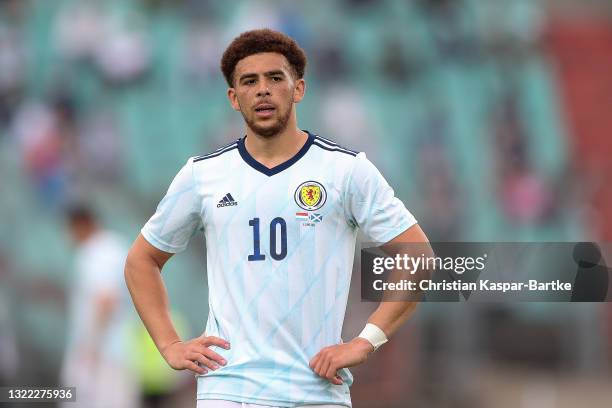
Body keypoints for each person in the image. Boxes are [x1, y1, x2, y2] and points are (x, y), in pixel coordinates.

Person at [125, 28, 429, 408]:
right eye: (249, 81)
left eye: (275, 78)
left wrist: (365, 341)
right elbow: (142, 260)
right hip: (229, 390)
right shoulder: (202, 176)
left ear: (298, 89)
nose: (263, 89)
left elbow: (417, 256)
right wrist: (169, 344)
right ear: (234, 98)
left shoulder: (347, 171)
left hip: (316, 391)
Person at [62, 205, 139, 408]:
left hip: (101, 353)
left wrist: (91, 346)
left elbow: (106, 300)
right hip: (116, 348)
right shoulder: (114, 246)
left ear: (81, 224)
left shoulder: (98, 252)